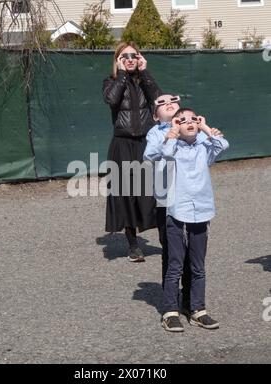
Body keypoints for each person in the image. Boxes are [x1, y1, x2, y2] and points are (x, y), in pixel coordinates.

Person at [160, 107, 229, 332]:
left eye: (193, 119)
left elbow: (223, 145)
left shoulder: (203, 147)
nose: (189, 122)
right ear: (176, 125)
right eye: (183, 120)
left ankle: (198, 310)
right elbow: (166, 154)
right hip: (177, 211)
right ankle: (170, 312)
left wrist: (206, 129)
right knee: (175, 265)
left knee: (198, 266)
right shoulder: (173, 146)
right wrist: (172, 133)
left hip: (201, 210)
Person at [103, 42, 162, 262]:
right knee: (126, 194)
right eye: (124, 55)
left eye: (134, 55)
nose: (130, 59)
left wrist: (144, 71)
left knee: (152, 192)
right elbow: (112, 100)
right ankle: (133, 245)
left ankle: (166, 239)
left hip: (146, 143)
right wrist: (122, 76)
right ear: (118, 59)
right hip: (122, 145)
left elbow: (160, 101)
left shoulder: (144, 81)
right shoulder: (111, 81)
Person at [143, 95, 192, 314]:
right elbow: (149, 155)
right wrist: (169, 136)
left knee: (193, 249)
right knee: (171, 251)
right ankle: (170, 301)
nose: (168, 103)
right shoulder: (156, 133)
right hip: (167, 199)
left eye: (173, 100)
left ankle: (191, 300)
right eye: (161, 103)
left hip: (191, 198)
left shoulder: (192, 127)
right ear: (155, 116)